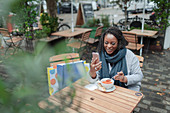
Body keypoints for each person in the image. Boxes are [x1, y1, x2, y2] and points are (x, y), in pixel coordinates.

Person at [88, 27, 143, 91]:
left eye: (113, 43)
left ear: (119, 43)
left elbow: (139, 76)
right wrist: (92, 71)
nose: (109, 46)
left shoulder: (129, 55)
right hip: (105, 90)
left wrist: (124, 79)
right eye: (106, 43)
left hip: (126, 90)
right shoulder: (100, 55)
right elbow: (94, 80)